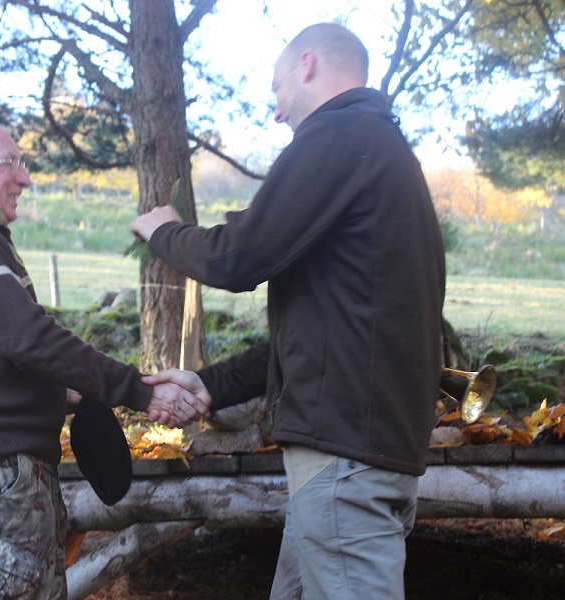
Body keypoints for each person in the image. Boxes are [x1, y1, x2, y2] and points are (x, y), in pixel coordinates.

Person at [131, 23, 446, 600]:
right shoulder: (382, 155)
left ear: (307, 64)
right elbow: (318, 335)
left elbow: (238, 257)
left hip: (345, 463)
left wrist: (165, 234)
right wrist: (209, 384)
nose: (276, 113)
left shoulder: (338, 134)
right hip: (363, 453)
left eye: (276, 90)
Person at [0, 118, 211, 598]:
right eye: (11, 164)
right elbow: (28, 337)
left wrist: (60, 391)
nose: (23, 178)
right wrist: (134, 390)